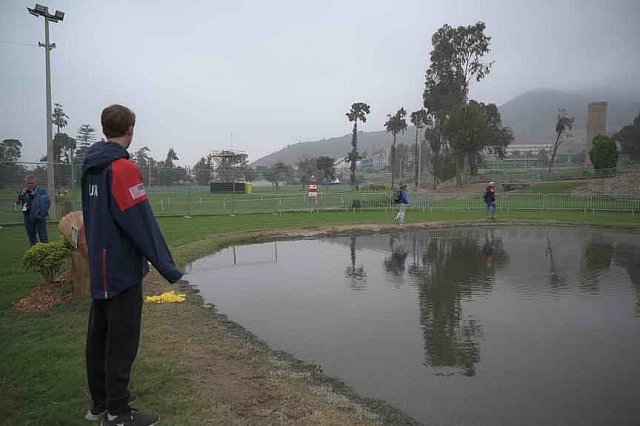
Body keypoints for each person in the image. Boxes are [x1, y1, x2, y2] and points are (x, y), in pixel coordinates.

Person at [82, 105, 184, 426]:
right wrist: (168, 267)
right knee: (121, 343)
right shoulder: (122, 169)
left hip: (99, 268)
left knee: (99, 337)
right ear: (130, 129)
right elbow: (141, 223)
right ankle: (118, 413)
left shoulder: (90, 167)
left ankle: (100, 405)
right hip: (121, 271)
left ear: (104, 129)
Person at [16, 175, 50, 245]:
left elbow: (46, 201)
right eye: (28, 183)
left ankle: (46, 252)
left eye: (32, 183)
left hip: (39, 216)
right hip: (28, 216)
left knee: (43, 237)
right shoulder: (24, 191)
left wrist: (36, 195)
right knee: (31, 237)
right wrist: (20, 196)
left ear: (36, 183)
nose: (30, 185)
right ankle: (34, 252)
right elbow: (17, 202)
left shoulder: (41, 190)